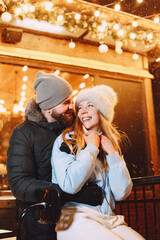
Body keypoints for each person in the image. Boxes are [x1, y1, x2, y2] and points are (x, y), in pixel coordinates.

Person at [7, 71, 103, 240]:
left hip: (79, 218)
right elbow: (20, 183)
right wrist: (69, 193)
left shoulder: (74, 127)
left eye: (71, 101)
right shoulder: (24, 133)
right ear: (48, 107)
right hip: (40, 224)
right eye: (66, 102)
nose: (72, 106)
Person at [51, 85, 145, 240]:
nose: (83, 111)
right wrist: (91, 148)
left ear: (102, 112)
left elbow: (121, 193)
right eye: (80, 107)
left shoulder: (109, 145)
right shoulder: (68, 140)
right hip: (77, 218)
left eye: (90, 105)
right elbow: (69, 184)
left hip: (109, 218)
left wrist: (113, 155)